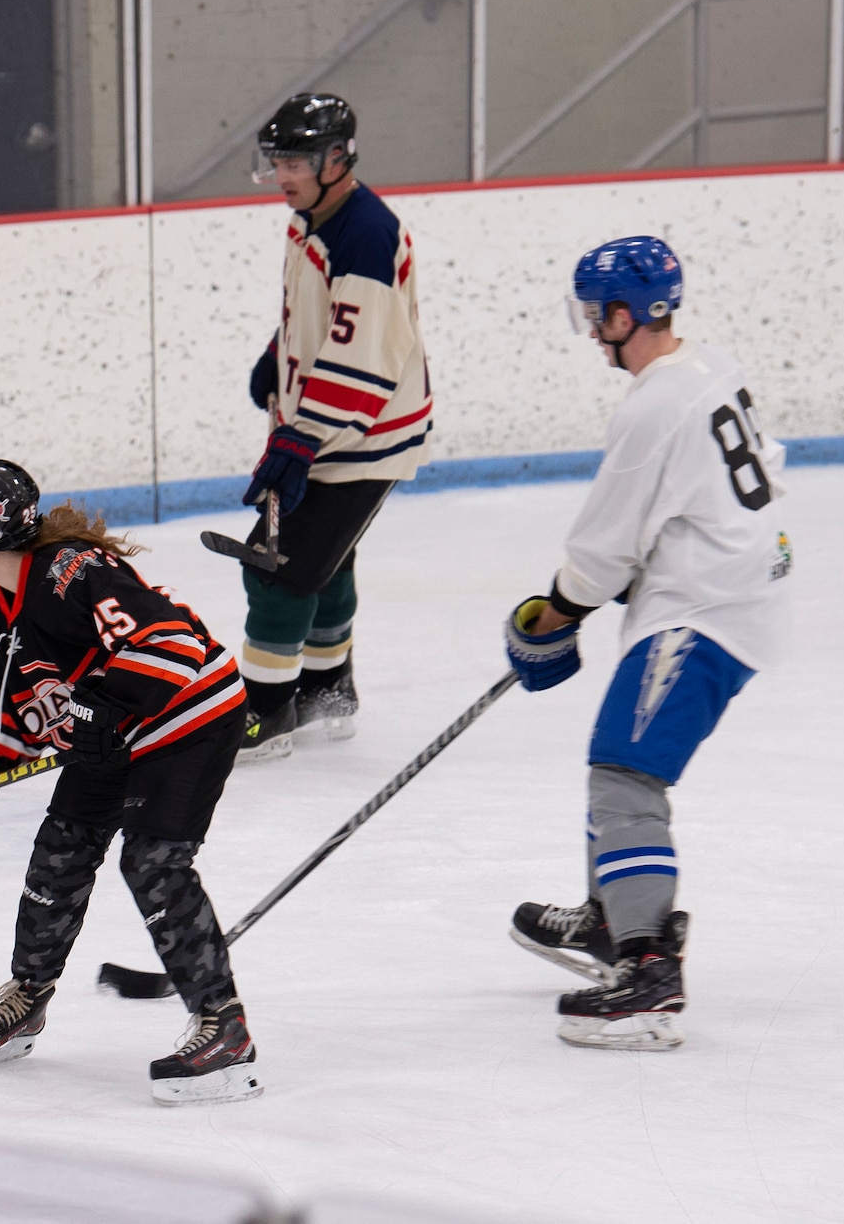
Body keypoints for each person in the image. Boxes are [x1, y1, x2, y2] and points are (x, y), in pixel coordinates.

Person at [503, 236, 792, 1051]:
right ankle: (608, 918)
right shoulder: (708, 367)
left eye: (599, 315)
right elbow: (742, 479)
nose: (594, 330)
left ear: (627, 314)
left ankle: (646, 967)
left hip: (706, 610)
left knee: (625, 776)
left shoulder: (650, 404)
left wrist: (551, 617)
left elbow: (601, 551)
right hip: (730, 586)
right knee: (615, 757)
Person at [0, 459, 261, 1106]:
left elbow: (172, 644)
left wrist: (105, 707)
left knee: (154, 862)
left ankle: (226, 1032)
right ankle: (27, 998)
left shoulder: (72, 570)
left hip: (189, 719)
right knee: (60, 852)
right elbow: (25, 699)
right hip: (110, 731)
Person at [236, 92, 433, 762]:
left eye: (296, 159)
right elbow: (319, 320)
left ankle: (266, 716)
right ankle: (327, 693)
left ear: (338, 158)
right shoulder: (312, 218)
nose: (283, 173)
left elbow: (364, 355)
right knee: (327, 561)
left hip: (361, 440)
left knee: (277, 572)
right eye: (278, 159)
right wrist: (277, 353)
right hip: (339, 434)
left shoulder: (366, 233)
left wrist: (301, 436)